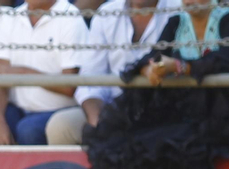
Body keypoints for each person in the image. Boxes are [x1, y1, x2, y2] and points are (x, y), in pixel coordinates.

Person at [86, 1, 229, 169]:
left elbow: (224, 61)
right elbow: (152, 57)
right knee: (137, 143)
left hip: (226, 115)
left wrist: (178, 66)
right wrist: (150, 70)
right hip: (186, 113)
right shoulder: (177, 22)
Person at [0, 0, 86, 146]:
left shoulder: (70, 17)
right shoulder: (11, 17)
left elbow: (69, 87)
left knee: (28, 130)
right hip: (17, 109)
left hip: (58, 111)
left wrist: (22, 73)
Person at [46, 0, 172, 146]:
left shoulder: (181, 9)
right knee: (61, 126)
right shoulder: (107, 12)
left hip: (164, 112)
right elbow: (90, 80)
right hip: (113, 110)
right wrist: (98, 122)